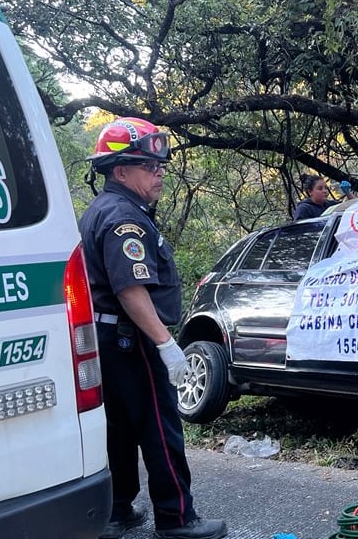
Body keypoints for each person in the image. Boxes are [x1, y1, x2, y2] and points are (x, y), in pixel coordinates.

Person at [79, 117, 227, 539]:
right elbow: (131, 289)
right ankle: (177, 518)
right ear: (120, 170)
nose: (159, 173)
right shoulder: (125, 218)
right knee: (160, 428)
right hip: (133, 338)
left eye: (161, 166)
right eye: (150, 166)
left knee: (120, 428)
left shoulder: (100, 210)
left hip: (108, 338)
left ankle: (116, 509)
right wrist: (165, 344)